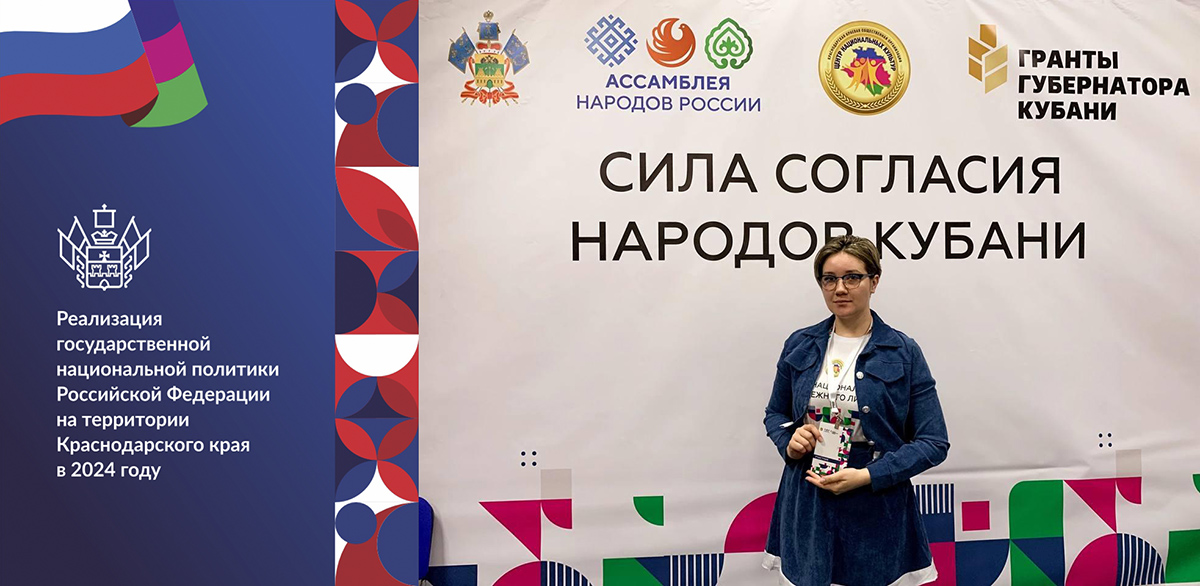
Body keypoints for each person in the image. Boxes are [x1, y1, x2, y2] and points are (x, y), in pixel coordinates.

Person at [762, 235, 949, 586]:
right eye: (829, 279)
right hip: (808, 499)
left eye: (852, 277)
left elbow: (933, 442)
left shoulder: (903, 351)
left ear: (874, 281)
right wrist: (790, 442)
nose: (840, 288)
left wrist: (867, 476)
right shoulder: (800, 344)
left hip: (876, 504)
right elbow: (776, 414)